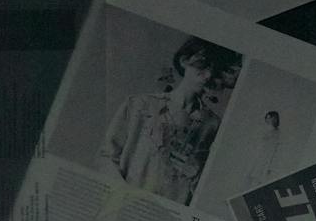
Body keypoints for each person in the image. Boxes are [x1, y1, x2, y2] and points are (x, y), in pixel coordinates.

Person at [99, 37, 235, 205]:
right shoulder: (139, 104)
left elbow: (211, 189)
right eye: (203, 65)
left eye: (213, 70)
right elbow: (106, 156)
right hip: (124, 208)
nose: (207, 76)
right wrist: (123, 196)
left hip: (168, 219)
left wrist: (196, 174)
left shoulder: (213, 125)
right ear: (184, 61)